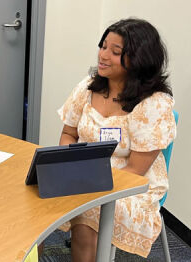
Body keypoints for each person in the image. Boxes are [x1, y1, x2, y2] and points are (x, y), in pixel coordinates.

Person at [57, 18, 176, 261]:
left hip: (133, 184)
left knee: (89, 208)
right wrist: (67, 164)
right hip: (84, 172)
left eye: (115, 51)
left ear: (139, 59)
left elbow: (135, 170)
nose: (103, 55)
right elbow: (69, 133)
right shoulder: (88, 88)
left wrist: (87, 184)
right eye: (103, 47)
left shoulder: (153, 103)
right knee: (37, 194)